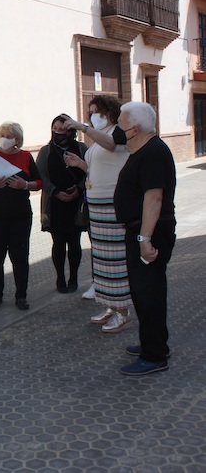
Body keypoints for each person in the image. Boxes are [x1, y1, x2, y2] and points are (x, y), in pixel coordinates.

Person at [113, 102, 176, 376]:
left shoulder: (152, 152)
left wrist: (144, 238)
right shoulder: (144, 148)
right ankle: (153, 343)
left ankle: (155, 355)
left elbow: (154, 197)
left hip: (150, 231)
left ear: (135, 129)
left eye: (121, 124)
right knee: (142, 290)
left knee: (149, 292)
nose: (117, 128)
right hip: (141, 230)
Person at [63, 96, 133, 333]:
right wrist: (80, 164)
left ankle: (123, 312)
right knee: (102, 261)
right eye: (90, 112)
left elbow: (112, 145)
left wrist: (83, 128)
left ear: (111, 112)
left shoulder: (118, 132)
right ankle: (110, 306)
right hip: (96, 204)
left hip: (113, 205)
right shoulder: (98, 137)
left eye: (98, 111)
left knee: (116, 261)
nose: (93, 116)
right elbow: (98, 167)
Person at [0, 122, 42, 310]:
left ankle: (21, 295)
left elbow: (39, 181)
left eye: (9, 135)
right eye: (2, 134)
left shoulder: (26, 156)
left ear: (17, 139)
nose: (4, 138)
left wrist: (25, 185)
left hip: (20, 216)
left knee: (20, 256)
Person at [37, 115, 88, 293]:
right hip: (55, 204)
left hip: (76, 203)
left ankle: (73, 277)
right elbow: (41, 176)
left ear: (71, 131)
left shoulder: (81, 148)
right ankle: (60, 277)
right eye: (55, 129)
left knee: (74, 242)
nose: (58, 133)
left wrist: (79, 189)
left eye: (62, 129)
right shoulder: (46, 151)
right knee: (58, 242)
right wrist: (56, 192)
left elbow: (90, 171)